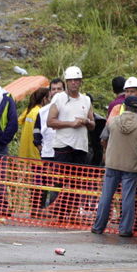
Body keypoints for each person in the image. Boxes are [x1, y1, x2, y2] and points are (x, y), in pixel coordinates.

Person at [92, 93, 137, 238]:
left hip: (112, 163)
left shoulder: (112, 121)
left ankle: (98, 227)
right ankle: (125, 229)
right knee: (128, 198)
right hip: (131, 166)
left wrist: (109, 149)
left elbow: (103, 139)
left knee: (106, 196)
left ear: (124, 106)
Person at [44, 66, 94, 218]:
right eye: (71, 80)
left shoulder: (86, 99)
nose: (74, 83)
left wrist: (86, 121)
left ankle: (70, 212)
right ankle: (56, 212)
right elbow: (50, 121)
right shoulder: (59, 98)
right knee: (59, 181)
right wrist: (70, 124)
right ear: (66, 82)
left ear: (80, 82)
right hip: (63, 145)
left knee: (76, 183)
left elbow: (93, 124)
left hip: (80, 146)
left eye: (76, 80)